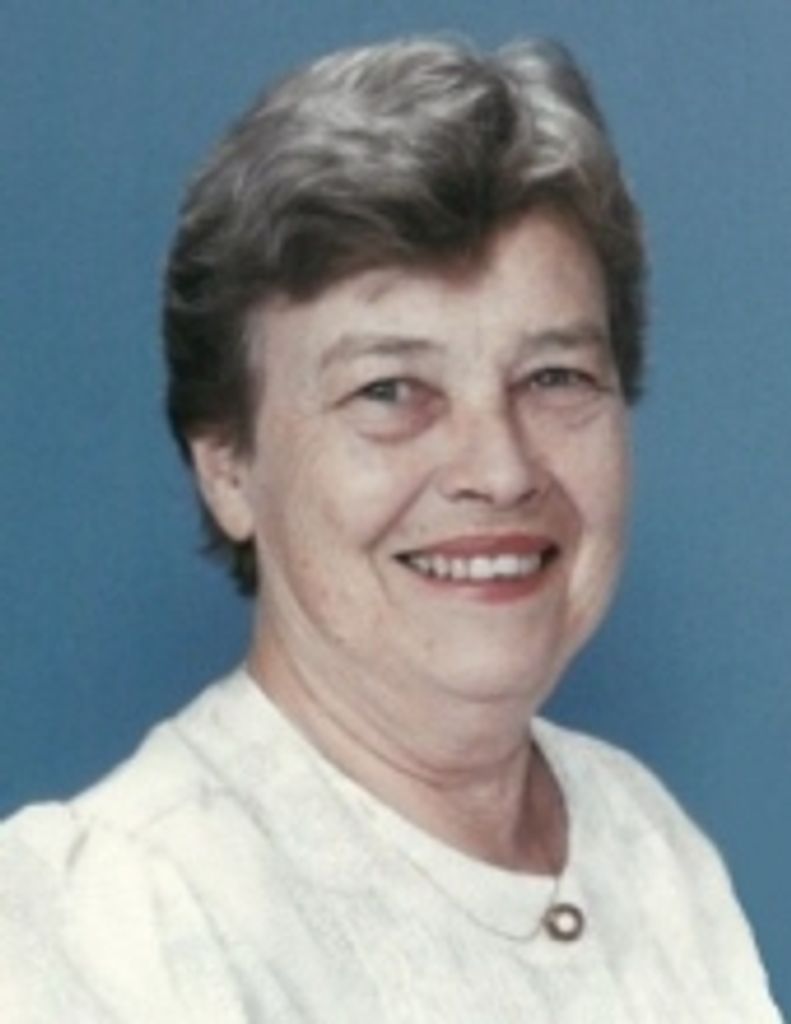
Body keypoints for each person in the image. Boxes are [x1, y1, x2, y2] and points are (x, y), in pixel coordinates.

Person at [0, 35, 781, 1022]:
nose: (500, 470)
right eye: (389, 390)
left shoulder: (642, 840)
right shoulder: (109, 919)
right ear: (229, 467)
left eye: (554, 377)